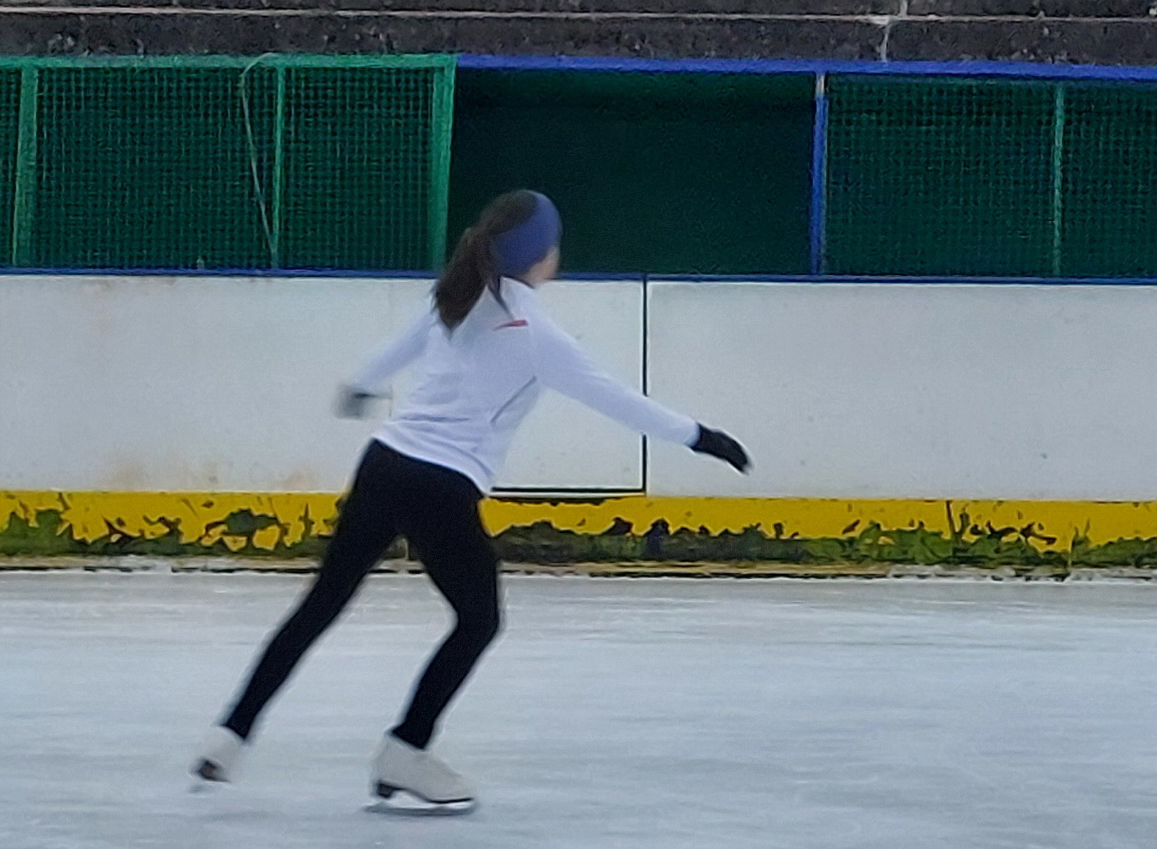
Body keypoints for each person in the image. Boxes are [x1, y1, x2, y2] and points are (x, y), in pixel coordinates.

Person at [190, 190, 750, 810]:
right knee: (479, 620)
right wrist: (700, 436)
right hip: (441, 485)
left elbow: (391, 353)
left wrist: (360, 386)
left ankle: (230, 734)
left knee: (322, 603)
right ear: (541, 255)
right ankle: (406, 749)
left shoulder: (455, 296)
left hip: (383, 465)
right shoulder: (537, 332)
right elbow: (615, 398)